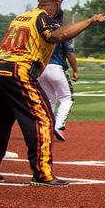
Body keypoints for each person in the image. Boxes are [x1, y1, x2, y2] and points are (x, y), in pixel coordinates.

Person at [0, 0, 105, 187]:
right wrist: (91, 20)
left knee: (2, 124)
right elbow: (57, 36)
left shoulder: (22, 17)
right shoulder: (43, 18)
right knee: (44, 119)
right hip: (18, 70)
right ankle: (42, 174)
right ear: (59, 2)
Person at [37, 9, 79, 141]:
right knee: (67, 98)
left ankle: (44, 127)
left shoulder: (41, 30)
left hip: (41, 69)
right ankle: (59, 125)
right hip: (56, 67)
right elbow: (70, 53)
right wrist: (75, 70)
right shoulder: (62, 32)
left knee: (49, 99)